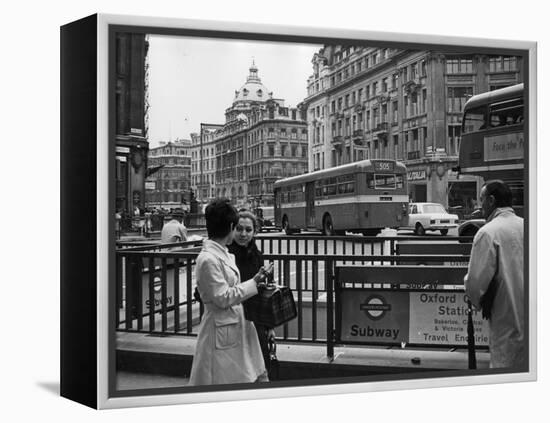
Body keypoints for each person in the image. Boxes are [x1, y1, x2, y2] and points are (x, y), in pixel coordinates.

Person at [188, 199, 271, 385]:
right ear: (231, 227)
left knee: (249, 375)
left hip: (233, 324)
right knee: (222, 380)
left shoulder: (222, 253)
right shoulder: (208, 259)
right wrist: (254, 282)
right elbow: (223, 297)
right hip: (221, 327)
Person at [464, 180, 525, 369]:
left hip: (506, 321)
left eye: (481, 199)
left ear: (491, 201)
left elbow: (475, 284)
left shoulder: (487, 233)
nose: (479, 205)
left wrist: (472, 295)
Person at [228, 210, 276, 378]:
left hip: (255, 321)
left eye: (248, 230)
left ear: (254, 232)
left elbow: (263, 293)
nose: (243, 234)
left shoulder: (257, 255)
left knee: (260, 366)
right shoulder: (226, 256)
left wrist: (269, 326)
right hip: (232, 319)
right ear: (232, 229)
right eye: (239, 229)